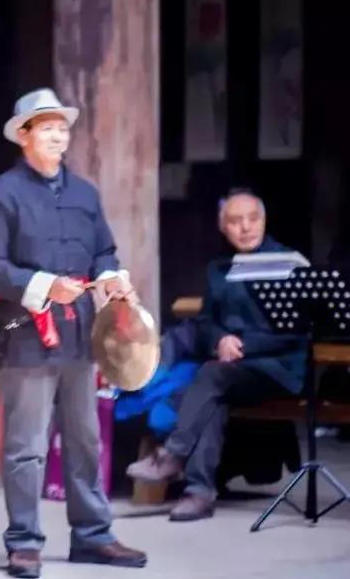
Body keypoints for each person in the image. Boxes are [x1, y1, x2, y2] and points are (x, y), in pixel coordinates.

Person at [0, 88, 147, 578]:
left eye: (62, 128)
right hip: (27, 334)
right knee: (27, 447)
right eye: (46, 127)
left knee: (86, 440)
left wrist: (111, 277)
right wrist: (46, 285)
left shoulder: (85, 193)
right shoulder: (2, 194)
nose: (57, 136)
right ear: (23, 135)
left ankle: (93, 536)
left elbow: (104, 251)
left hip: (82, 333)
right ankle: (24, 542)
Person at [126, 188, 306, 520]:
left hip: (276, 369)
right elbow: (205, 322)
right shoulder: (219, 268)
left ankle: (173, 457)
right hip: (233, 371)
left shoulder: (287, 263)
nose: (246, 228)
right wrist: (220, 339)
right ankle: (199, 493)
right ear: (223, 227)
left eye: (253, 219)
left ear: (264, 221)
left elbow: (296, 332)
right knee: (213, 393)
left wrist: (243, 346)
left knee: (211, 376)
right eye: (236, 221)